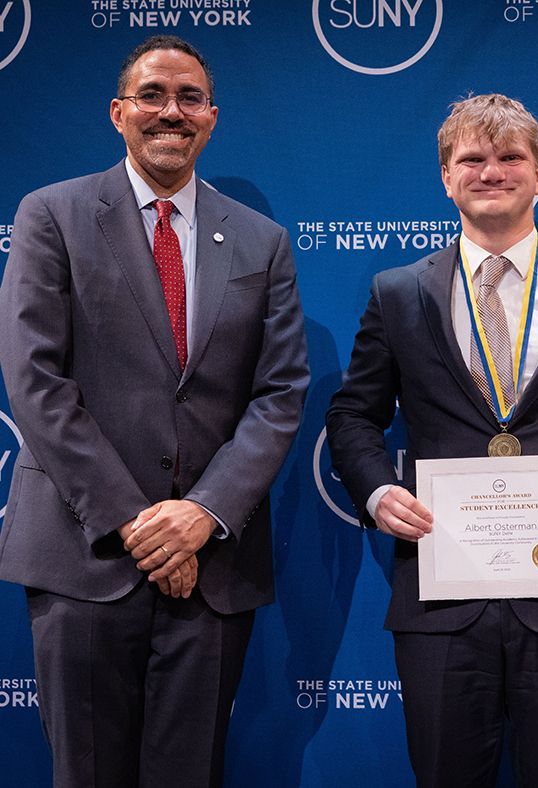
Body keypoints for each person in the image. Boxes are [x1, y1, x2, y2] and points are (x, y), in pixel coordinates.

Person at [326, 94, 538, 787]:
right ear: (446, 177)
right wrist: (377, 488)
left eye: (510, 157)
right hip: (441, 596)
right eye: (472, 160)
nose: (493, 171)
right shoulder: (397, 292)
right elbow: (352, 415)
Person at [0, 35, 309, 788]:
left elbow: (279, 393)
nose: (171, 112)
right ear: (119, 112)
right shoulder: (52, 215)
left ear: (212, 117)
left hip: (211, 567)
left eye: (190, 99)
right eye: (153, 96)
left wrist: (203, 513)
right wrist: (138, 524)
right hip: (86, 555)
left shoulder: (261, 243)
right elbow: (34, 376)